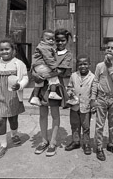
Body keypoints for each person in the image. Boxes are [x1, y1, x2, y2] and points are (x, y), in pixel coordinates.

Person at [33, 28, 73, 157]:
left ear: (67, 41)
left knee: (55, 114)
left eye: (63, 40)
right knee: (42, 114)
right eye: (57, 40)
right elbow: (35, 64)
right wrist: (35, 74)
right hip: (42, 85)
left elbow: (61, 71)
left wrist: (43, 75)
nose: (60, 43)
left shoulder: (68, 55)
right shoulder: (47, 49)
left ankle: (53, 142)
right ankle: (44, 140)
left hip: (54, 87)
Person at [91, 41, 113, 161]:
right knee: (100, 124)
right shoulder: (100, 66)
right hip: (101, 97)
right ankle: (99, 147)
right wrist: (93, 98)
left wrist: (110, 69)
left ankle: (112, 144)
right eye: (108, 48)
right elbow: (95, 81)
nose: (109, 49)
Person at [65, 54, 95, 155]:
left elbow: (94, 92)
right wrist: (70, 92)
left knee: (86, 126)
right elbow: (69, 87)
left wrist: (93, 104)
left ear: (89, 64)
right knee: (74, 124)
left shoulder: (93, 77)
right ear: (77, 65)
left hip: (86, 106)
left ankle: (86, 144)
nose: (83, 66)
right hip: (74, 105)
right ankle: (76, 141)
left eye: (85, 64)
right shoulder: (74, 75)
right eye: (80, 64)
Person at [29, 29, 61, 106]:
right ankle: (53, 92)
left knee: (39, 81)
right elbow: (48, 58)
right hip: (42, 65)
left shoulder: (41, 46)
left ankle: (35, 97)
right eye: (48, 39)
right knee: (54, 76)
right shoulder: (45, 47)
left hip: (37, 67)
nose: (51, 41)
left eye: (53, 39)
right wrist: (54, 67)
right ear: (42, 39)